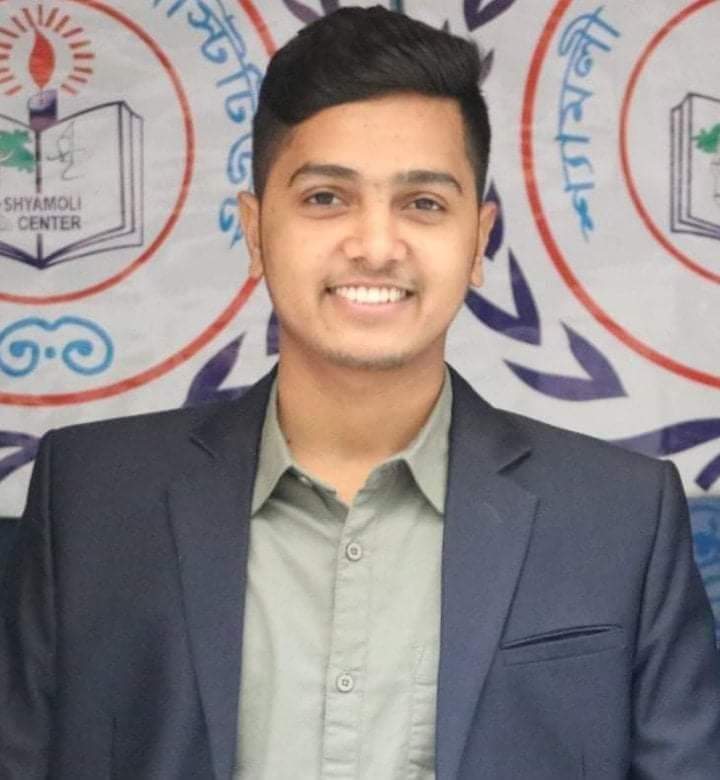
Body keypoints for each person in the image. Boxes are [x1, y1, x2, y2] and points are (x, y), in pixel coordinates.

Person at [1, 6, 719, 779]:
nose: (376, 246)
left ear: (479, 240)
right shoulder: (91, 500)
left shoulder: (621, 517)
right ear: (255, 229)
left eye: (423, 203)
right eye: (326, 198)